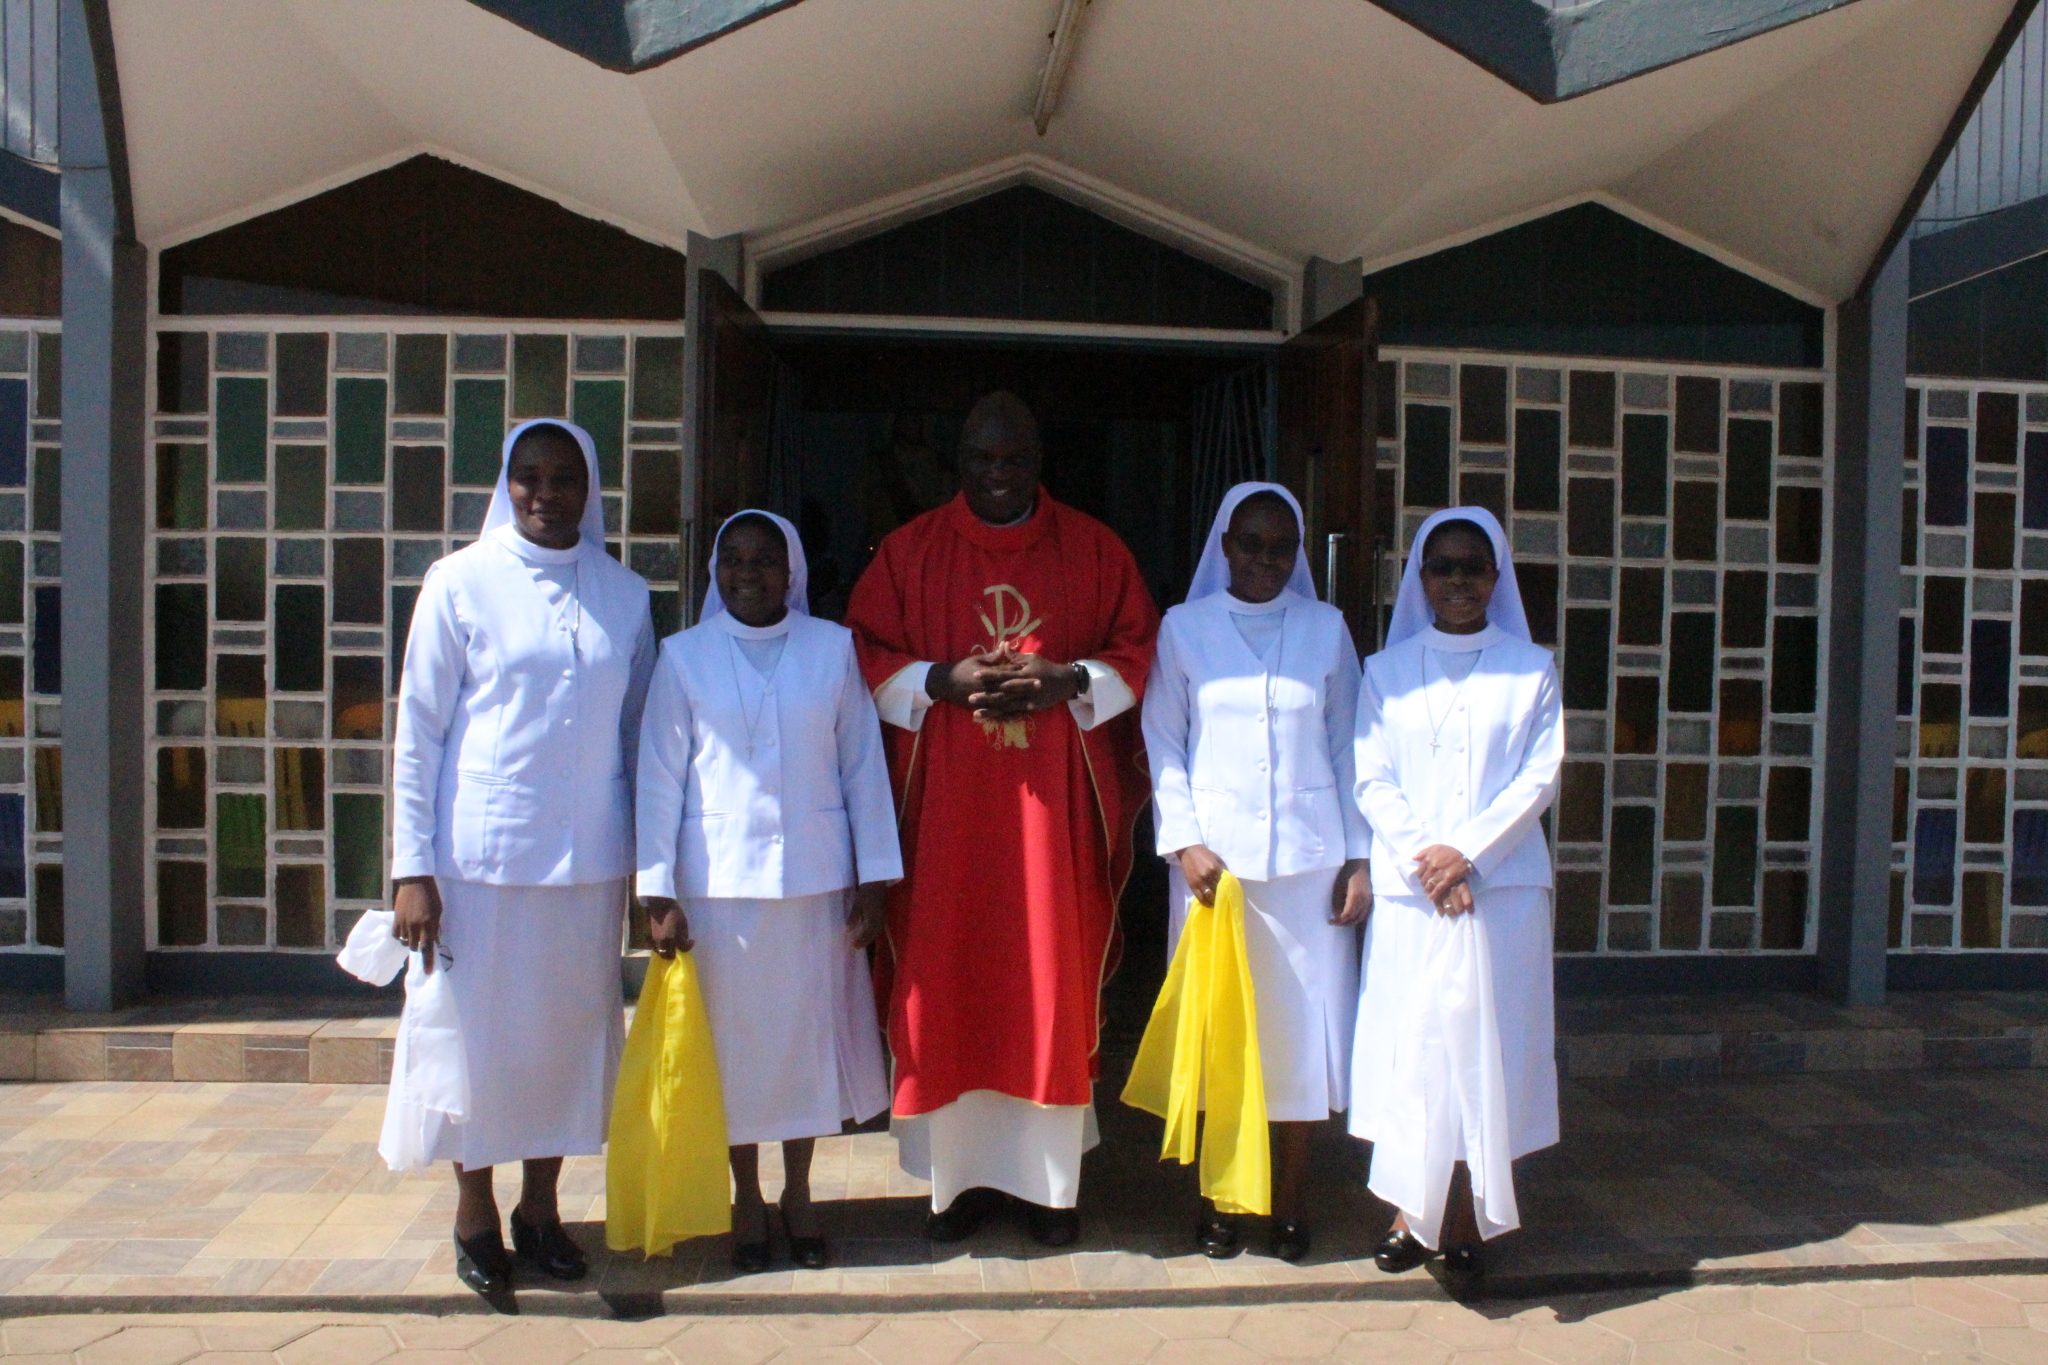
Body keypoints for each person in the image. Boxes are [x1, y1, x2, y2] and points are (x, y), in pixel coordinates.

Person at [843, 391, 1159, 1247]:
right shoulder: (909, 554)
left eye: (1011, 460)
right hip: (946, 826)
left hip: (1048, 828)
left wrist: (1073, 681)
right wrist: (939, 680)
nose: (995, 476)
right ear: (959, 464)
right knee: (949, 987)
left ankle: (1051, 1192)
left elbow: (1139, 649)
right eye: (979, 461)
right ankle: (956, 1188)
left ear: (1037, 461)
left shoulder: (1095, 549)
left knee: (1046, 989)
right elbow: (861, 653)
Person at [388, 419, 655, 1296]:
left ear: (591, 488)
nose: (547, 493)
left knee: (562, 1048)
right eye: (530, 477)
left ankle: (542, 1211)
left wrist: (647, 874)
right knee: (477, 1049)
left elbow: (637, 741)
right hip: (477, 866)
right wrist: (410, 868)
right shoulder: (458, 582)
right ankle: (476, 1211)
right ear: (507, 484)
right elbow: (418, 732)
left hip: (585, 869)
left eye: (565, 478)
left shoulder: (625, 595)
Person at [634, 509, 901, 1273]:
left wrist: (875, 878)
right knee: (736, 1058)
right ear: (715, 572)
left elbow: (861, 768)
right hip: (717, 893)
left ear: (793, 574)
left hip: (816, 886)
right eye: (733, 560)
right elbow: (659, 777)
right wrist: (658, 890)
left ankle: (800, 1192)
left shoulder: (832, 648)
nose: (748, 574)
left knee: (804, 1054)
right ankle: (745, 1195)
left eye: (765, 561)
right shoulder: (683, 657)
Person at [1141, 483, 1372, 1262]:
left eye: (1280, 548)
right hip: (1215, 874)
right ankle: (1220, 1199)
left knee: (1300, 1047)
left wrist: (1359, 858)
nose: (1264, 561)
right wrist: (1185, 842)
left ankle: (1291, 1197)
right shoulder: (1184, 629)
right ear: (1225, 545)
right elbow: (1163, 741)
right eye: (1250, 545)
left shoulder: (1327, 628)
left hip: (1310, 872)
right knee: (1222, 1040)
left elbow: (1349, 747)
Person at [1348, 506, 1563, 1295]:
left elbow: (1538, 776)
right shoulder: (1385, 670)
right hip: (1415, 894)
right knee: (1416, 1051)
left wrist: (1466, 852)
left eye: (1475, 566)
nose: (1460, 581)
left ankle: (1469, 1216)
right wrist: (1426, 859)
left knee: (1483, 1052)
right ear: (1420, 578)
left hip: (1497, 891)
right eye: (1443, 567)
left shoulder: (1530, 667)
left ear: (1496, 576)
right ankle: (1409, 1213)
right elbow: (1371, 775)